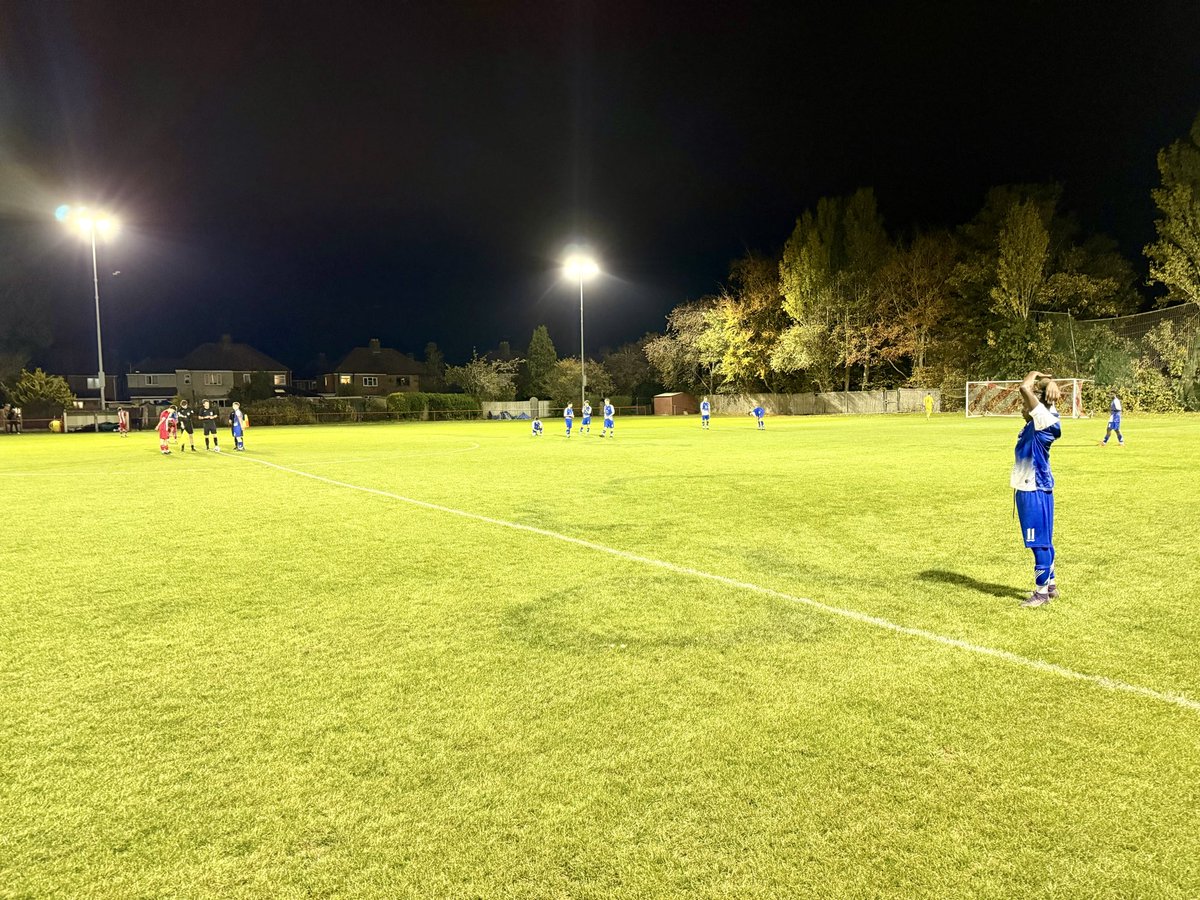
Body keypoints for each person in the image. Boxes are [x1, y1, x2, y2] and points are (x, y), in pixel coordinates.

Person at [1011, 370, 1062, 608]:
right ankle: (1050, 586)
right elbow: (1037, 391)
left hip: (1034, 491)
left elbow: (1025, 389)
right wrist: (1048, 381)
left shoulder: (1043, 422)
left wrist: (1034, 374)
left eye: (1025, 406)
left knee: (1038, 542)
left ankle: (1041, 594)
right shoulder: (1038, 423)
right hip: (1034, 489)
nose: (1022, 408)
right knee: (1045, 541)